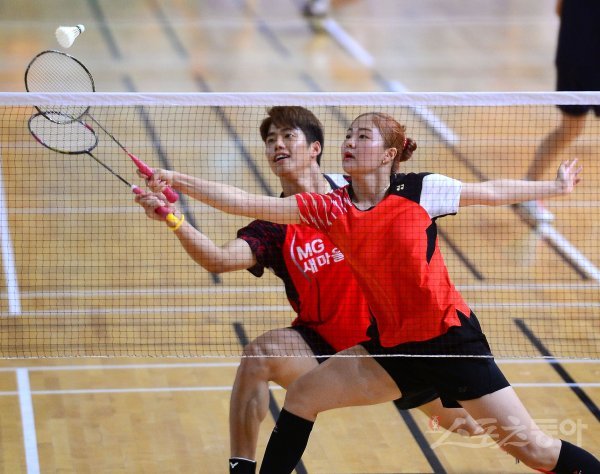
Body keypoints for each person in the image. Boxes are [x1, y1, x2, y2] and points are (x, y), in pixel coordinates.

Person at [139, 111, 598, 473]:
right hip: (391, 347)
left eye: (363, 137)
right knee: (302, 397)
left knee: (534, 449)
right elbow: (245, 202)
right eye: (348, 135)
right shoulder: (328, 208)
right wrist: (177, 180)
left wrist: (553, 187)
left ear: (388, 154)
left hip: (449, 343)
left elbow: (491, 191)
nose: (350, 142)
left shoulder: (420, 190)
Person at [520, 0, 600, 224]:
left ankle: (528, 189)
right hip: (581, 62)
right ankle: (527, 191)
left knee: (570, 129)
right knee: (571, 128)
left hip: (572, 57)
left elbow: (559, 10)